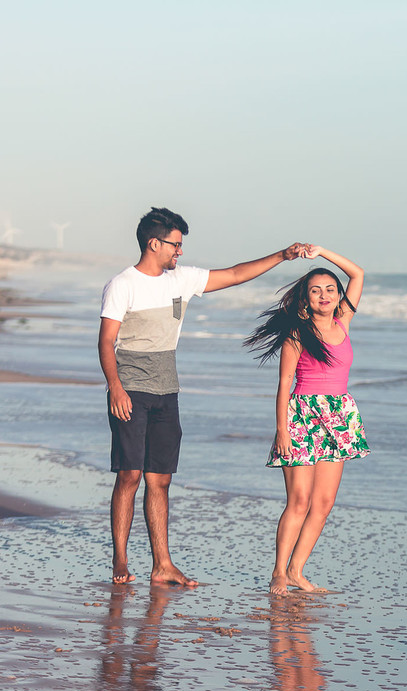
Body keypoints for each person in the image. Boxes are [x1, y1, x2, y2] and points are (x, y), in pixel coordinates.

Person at [99, 206, 303, 586]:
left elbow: (237, 273)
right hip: (130, 389)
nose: (180, 252)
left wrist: (282, 255)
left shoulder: (183, 280)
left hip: (167, 391)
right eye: (175, 245)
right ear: (153, 243)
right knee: (129, 474)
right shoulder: (122, 284)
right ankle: (121, 560)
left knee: (160, 479)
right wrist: (115, 386)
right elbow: (107, 340)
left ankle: (162, 564)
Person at [244, 245, 368, 595]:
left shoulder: (343, 320)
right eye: (316, 290)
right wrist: (281, 430)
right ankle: (278, 573)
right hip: (302, 416)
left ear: (339, 296)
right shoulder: (298, 334)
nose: (324, 295)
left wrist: (322, 253)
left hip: (339, 418)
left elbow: (357, 273)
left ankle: (297, 571)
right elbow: (284, 384)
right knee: (299, 501)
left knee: (324, 503)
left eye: (330, 289)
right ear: (305, 300)